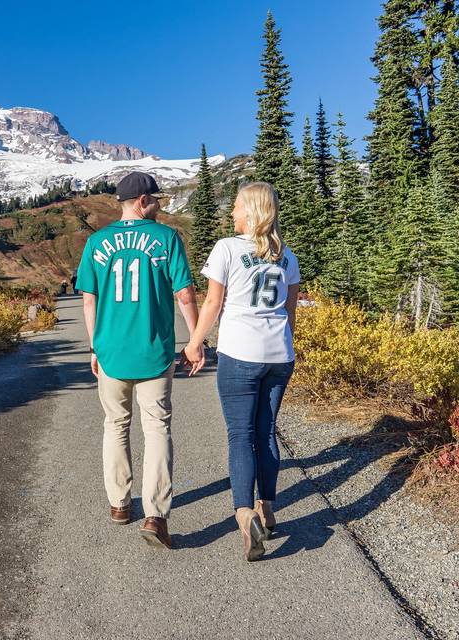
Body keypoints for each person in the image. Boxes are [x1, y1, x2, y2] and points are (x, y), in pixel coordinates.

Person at [75, 171, 199, 549]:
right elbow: (185, 295)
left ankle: (119, 504)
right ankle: (156, 515)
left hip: (111, 352)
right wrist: (196, 339)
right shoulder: (166, 239)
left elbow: (89, 300)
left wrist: (95, 347)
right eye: (156, 199)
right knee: (157, 427)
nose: (160, 205)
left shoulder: (97, 242)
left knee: (116, 424)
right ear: (143, 201)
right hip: (154, 351)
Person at [183, 182, 300, 562]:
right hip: (279, 355)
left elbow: (214, 302)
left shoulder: (228, 248)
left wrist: (195, 342)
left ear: (250, 211)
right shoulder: (288, 257)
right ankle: (268, 507)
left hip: (240, 354)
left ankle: (244, 513)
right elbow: (290, 313)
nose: (231, 214)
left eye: (235, 207)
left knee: (240, 435)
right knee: (266, 432)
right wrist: (281, 346)